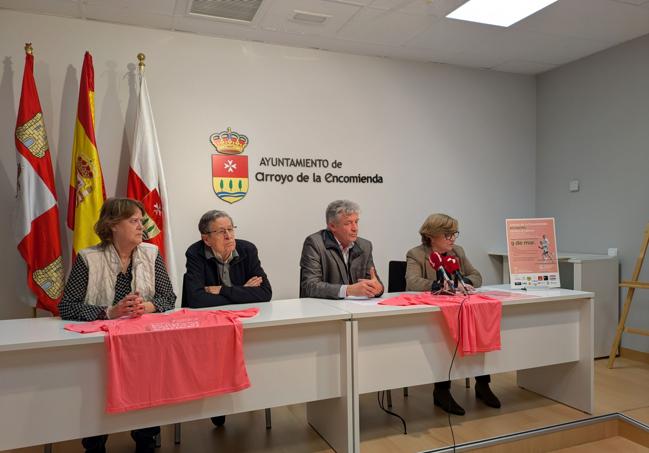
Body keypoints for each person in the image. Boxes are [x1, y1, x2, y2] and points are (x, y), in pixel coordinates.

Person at [59, 197, 176, 453]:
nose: (141, 227)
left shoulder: (151, 253)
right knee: (98, 396)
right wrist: (109, 312)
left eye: (141, 221)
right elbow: (67, 306)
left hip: (143, 343)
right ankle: (95, 443)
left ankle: (146, 440)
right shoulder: (88, 258)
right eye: (134, 221)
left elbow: (169, 298)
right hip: (102, 345)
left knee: (147, 391)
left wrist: (145, 307)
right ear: (113, 225)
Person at [182, 209, 272, 427]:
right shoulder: (195, 253)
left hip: (244, 323)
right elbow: (196, 299)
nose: (229, 236)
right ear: (206, 238)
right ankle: (217, 405)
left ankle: (255, 397)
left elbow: (265, 293)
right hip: (209, 326)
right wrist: (242, 293)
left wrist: (221, 290)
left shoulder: (247, 249)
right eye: (221, 232)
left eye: (231, 229)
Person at [405, 213, 500, 416]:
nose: (452, 239)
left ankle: (482, 384)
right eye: (447, 234)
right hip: (434, 314)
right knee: (442, 339)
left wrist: (463, 281)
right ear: (431, 235)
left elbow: (477, 276)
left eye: (454, 233)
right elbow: (412, 282)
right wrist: (439, 285)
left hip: (462, 308)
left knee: (479, 328)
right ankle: (441, 391)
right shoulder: (416, 254)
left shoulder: (458, 252)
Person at [300, 200, 383, 299]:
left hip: (356, 309)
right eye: (348, 223)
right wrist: (348, 290)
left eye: (356, 222)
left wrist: (379, 289)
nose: (355, 228)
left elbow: (373, 282)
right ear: (332, 226)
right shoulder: (315, 244)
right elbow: (310, 286)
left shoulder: (365, 246)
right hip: (323, 309)